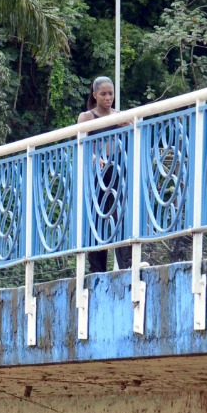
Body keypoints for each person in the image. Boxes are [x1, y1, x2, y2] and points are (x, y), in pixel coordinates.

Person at [78, 76, 129, 275]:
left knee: (119, 216)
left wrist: (129, 123)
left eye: (111, 93)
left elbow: (135, 128)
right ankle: (97, 269)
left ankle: (126, 264)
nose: (108, 98)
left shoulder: (119, 115)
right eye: (103, 94)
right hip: (96, 172)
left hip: (115, 168)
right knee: (96, 217)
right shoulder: (87, 117)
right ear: (95, 95)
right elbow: (81, 142)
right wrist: (93, 157)